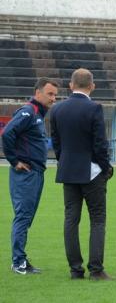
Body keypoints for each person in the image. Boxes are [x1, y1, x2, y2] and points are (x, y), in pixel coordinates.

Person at [50, 68, 114, 280]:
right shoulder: (94, 108)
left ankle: (75, 270)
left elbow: (56, 143)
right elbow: (100, 144)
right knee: (97, 220)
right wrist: (106, 168)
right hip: (92, 172)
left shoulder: (57, 109)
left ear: (71, 85)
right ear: (92, 86)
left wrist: (65, 162)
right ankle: (96, 270)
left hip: (68, 171)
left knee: (71, 220)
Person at [2, 77, 59, 275]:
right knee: (23, 216)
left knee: (27, 217)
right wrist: (14, 160)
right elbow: (7, 133)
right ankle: (18, 262)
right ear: (38, 93)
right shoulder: (28, 112)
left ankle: (21, 259)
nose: (54, 98)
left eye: (55, 95)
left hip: (35, 173)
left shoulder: (38, 114)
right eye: (50, 94)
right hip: (25, 174)